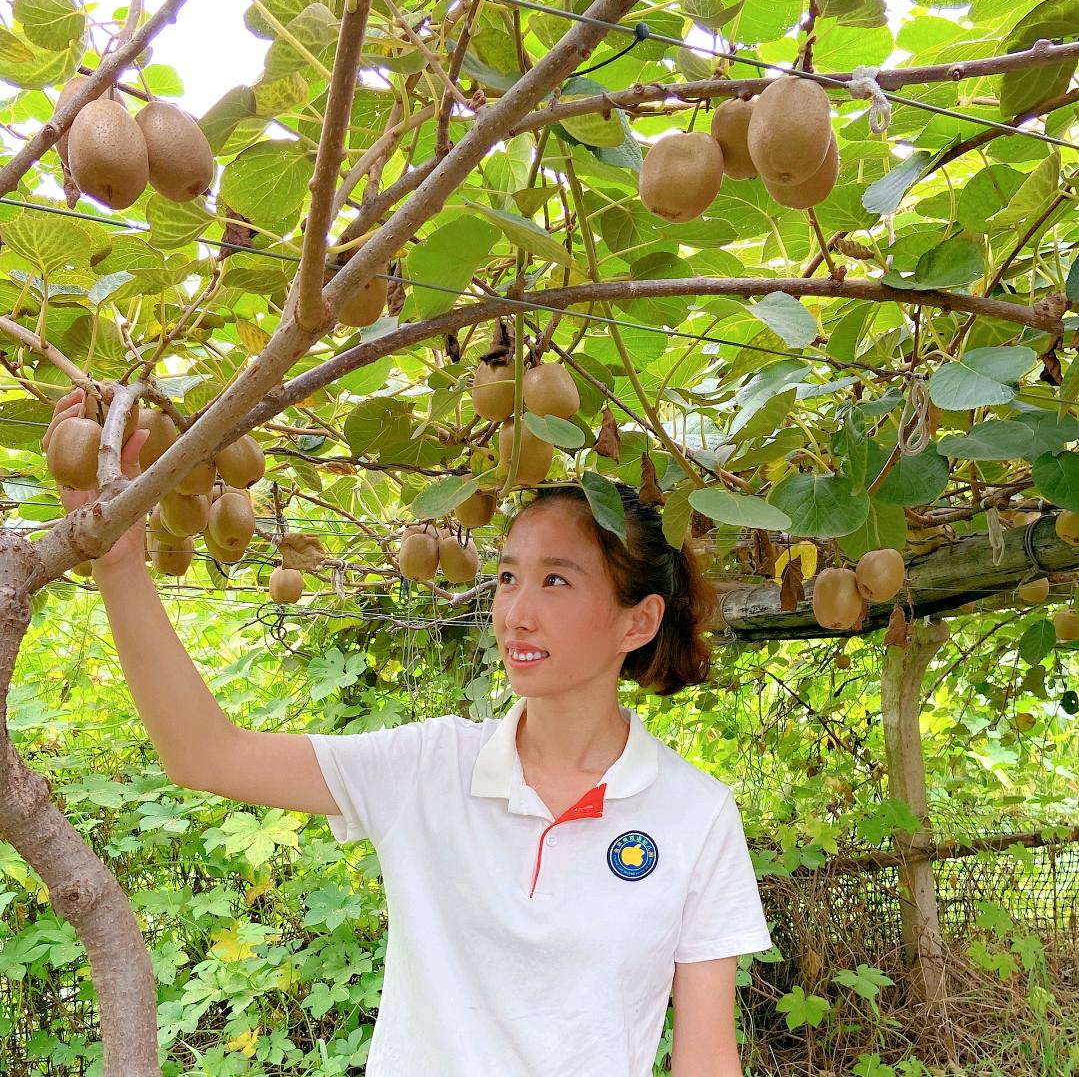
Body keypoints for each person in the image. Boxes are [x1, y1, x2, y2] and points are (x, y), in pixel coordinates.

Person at [42, 388, 773, 1076]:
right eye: (509, 576)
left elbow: (706, 1057)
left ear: (636, 620)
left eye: (555, 581)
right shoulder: (429, 764)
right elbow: (206, 752)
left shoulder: (693, 813)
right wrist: (118, 564)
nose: (515, 611)